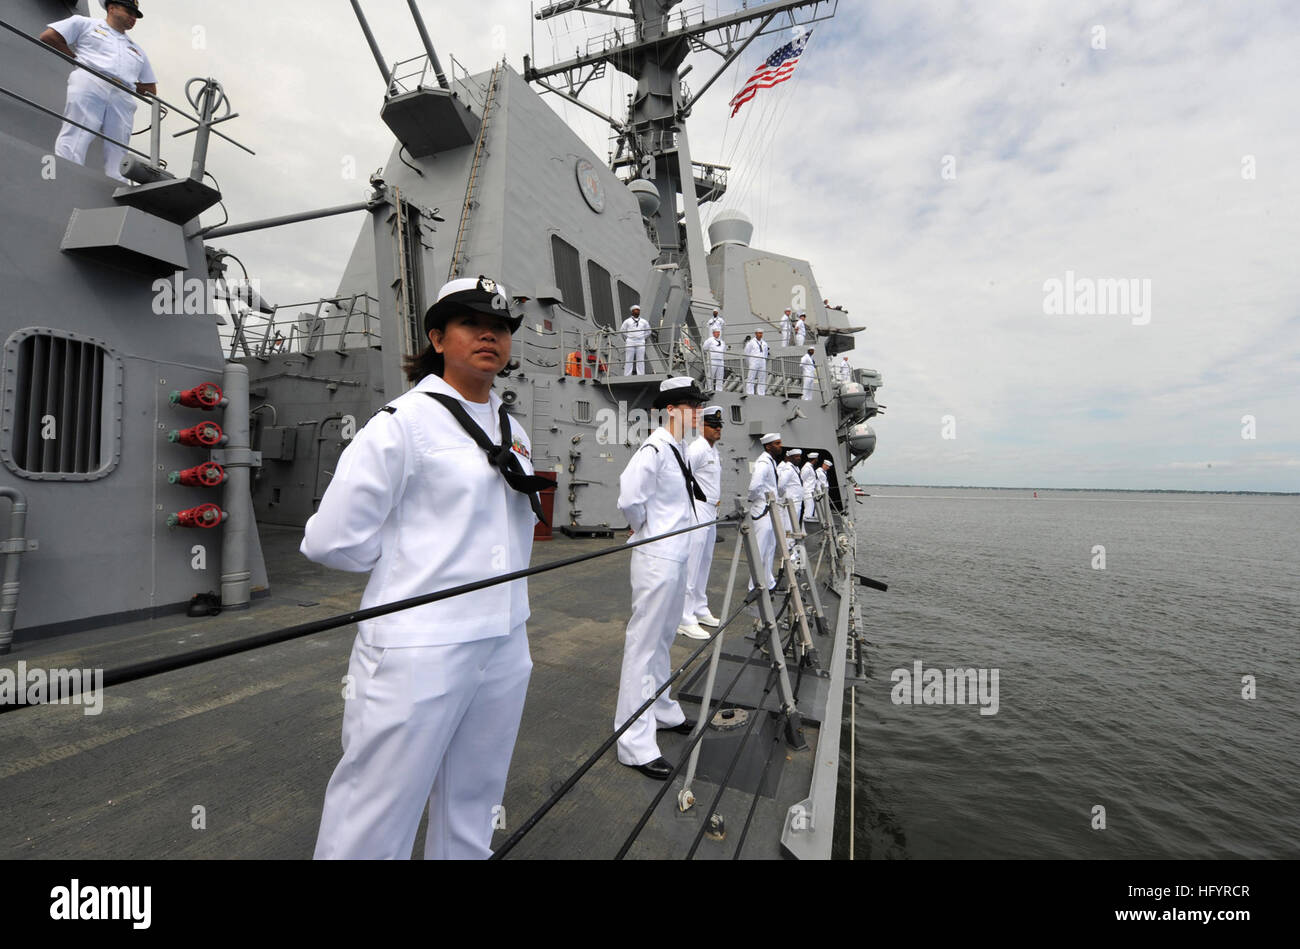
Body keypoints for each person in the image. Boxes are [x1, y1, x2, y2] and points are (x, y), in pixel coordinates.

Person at [302, 275, 545, 860]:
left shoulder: (514, 431)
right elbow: (331, 540)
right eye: (470, 324)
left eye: (502, 327)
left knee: (476, 795)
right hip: (421, 643)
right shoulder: (402, 423)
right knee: (377, 806)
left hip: (505, 637)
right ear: (437, 337)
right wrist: (414, 567)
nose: (490, 335)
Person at [615, 377, 707, 779]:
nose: (699, 412)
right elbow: (629, 499)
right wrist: (644, 531)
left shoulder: (679, 449)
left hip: (677, 555)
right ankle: (633, 742)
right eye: (692, 405)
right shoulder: (653, 448)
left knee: (664, 639)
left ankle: (664, 710)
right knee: (644, 644)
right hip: (657, 556)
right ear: (671, 409)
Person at [41, 2, 157, 183]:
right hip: (91, 81)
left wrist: (131, 86)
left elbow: (150, 88)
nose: (133, 18)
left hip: (122, 94)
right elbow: (50, 36)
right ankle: (67, 176)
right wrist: (77, 61)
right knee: (78, 131)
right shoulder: (85, 24)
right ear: (112, 8)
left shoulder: (137, 50)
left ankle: (117, 183)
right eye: (129, 11)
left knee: (119, 144)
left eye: (136, 15)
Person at [679, 405, 724, 639]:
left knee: (704, 562)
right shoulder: (696, 449)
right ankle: (684, 617)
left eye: (719, 426)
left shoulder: (713, 451)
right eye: (713, 425)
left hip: (711, 512)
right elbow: (682, 479)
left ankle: (699, 608)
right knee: (692, 564)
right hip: (698, 510)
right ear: (701, 426)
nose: (717, 429)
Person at [746, 433, 783, 593]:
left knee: (770, 548)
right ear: (768, 446)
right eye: (777, 443)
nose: (780, 446)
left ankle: (768, 581)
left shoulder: (771, 461)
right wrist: (757, 501)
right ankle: (753, 585)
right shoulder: (763, 462)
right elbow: (754, 486)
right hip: (763, 511)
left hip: (770, 509)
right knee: (760, 548)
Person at [775, 446, 804, 569]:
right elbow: (781, 485)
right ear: (790, 458)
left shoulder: (794, 468)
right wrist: (782, 498)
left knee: (792, 526)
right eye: (796, 457)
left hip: (795, 503)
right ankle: (788, 553)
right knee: (788, 527)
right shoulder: (788, 468)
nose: (798, 458)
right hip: (790, 503)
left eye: (799, 456)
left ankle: (790, 550)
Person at [620, 304, 649, 375]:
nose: (637, 311)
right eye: (635, 310)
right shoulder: (627, 321)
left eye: (638, 310)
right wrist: (629, 337)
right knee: (629, 359)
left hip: (640, 342)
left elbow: (648, 331)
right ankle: (627, 374)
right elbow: (622, 330)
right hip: (630, 342)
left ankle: (641, 374)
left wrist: (642, 337)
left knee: (640, 359)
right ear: (632, 312)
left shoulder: (644, 321)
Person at [744, 329, 769, 395]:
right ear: (756, 334)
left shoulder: (764, 343)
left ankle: (761, 393)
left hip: (762, 360)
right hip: (754, 360)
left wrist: (764, 359)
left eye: (761, 333)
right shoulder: (751, 342)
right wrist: (749, 362)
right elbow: (747, 352)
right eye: (759, 333)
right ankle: (750, 392)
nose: (760, 335)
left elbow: (766, 353)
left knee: (762, 377)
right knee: (751, 377)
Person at [801, 451, 819, 523]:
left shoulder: (810, 467)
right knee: (808, 511)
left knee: (810, 511)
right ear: (815, 459)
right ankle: (804, 530)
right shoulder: (807, 468)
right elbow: (802, 479)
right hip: (807, 492)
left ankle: (805, 530)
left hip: (811, 492)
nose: (817, 460)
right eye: (817, 459)